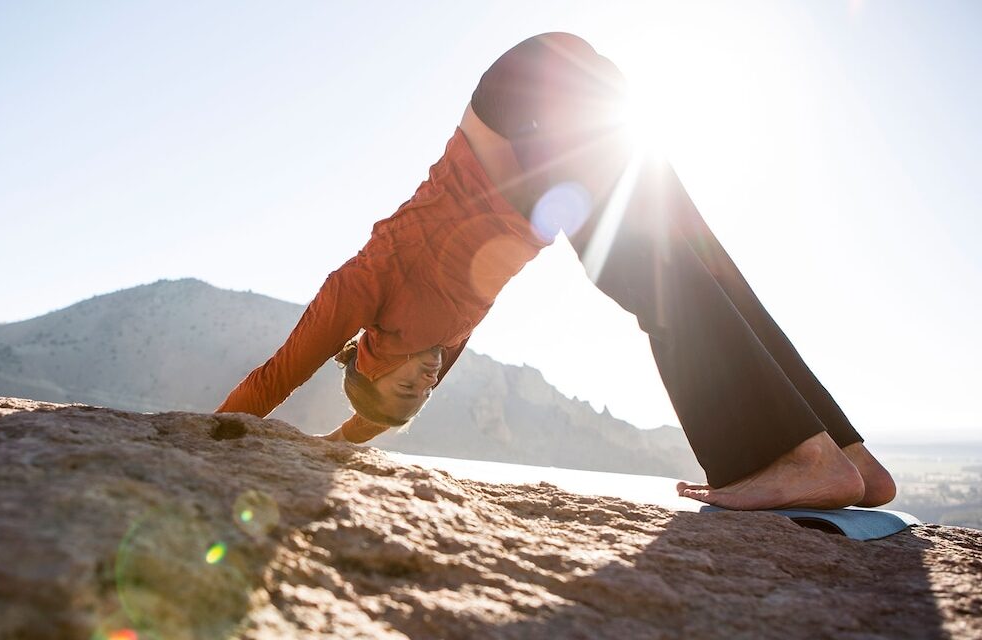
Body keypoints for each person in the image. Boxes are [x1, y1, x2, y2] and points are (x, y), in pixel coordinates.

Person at [217, 32, 895, 511]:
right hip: (575, 101)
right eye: (419, 399)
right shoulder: (435, 347)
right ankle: (847, 455)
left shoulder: (365, 285)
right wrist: (331, 446)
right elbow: (366, 425)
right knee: (699, 257)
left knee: (635, 269)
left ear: (367, 357)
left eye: (403, 388)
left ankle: (794, 457)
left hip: (522, 98)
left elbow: (276, 377)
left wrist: (200, 439)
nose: (426, 385)